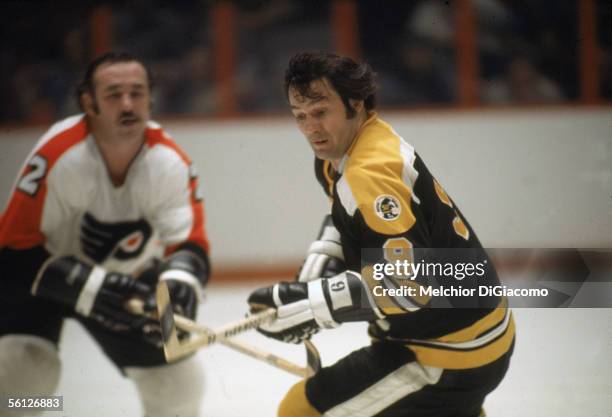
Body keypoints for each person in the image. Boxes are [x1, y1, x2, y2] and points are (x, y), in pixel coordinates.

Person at [247, 52, 515, 417]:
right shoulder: (361, 143)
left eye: (321, 112)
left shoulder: (368, 172)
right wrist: (317, 270)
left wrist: (313, 305)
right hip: (476, 336)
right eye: (300, 117)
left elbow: (410, 286)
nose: (312, 129)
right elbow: (353, 222)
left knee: (301, 410)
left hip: (445, 354)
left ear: (354, 103)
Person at [0, 52, 210, 417]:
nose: (128, 104)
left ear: (150, 98)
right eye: (114, 94)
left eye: (137, 93)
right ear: (88, 102)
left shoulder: (169, 162)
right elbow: (13, 246)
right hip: (40, 281)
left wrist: (180, 282)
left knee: (177, 386)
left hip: (120, 287)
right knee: (24, 377)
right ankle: (48, 408)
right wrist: (87, 285)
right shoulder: (59, 154)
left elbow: (189, 244)